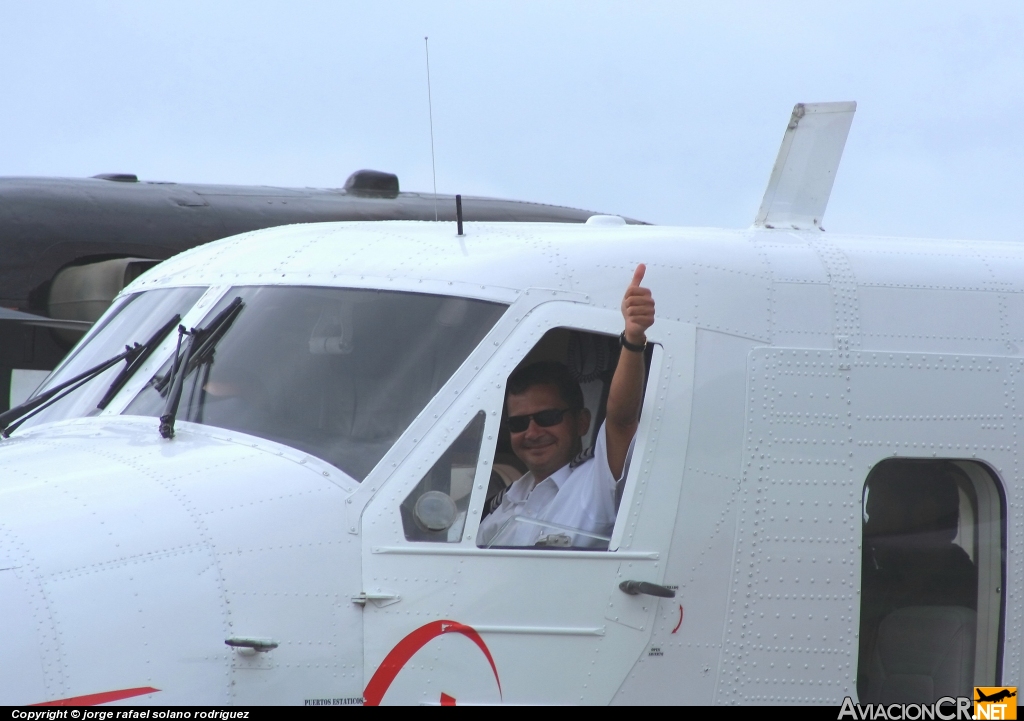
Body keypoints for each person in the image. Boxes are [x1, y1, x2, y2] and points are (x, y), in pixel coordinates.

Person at [476, 264, 655, 548]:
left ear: (581, 421)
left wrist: (633, 340)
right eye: (519, 423)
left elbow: (621, 420)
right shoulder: (502, 506)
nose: (532, 432)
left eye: (547, 417)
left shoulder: (596, 482)